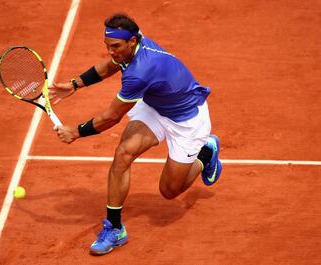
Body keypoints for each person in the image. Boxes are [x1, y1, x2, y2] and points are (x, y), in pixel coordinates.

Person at [49, 13, 222, 256]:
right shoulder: (130, 49)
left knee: (170, 191)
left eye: (116, 46)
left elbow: (111, 117)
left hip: (187, 121)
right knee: (123, 154)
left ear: (132, 41)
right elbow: (111, 65)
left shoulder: (140, 72)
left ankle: (205, 153)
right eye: (108, 46)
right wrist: (75, 84)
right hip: (156, 106)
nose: (111, 52)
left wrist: (76, 132)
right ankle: (115, 228)